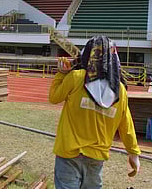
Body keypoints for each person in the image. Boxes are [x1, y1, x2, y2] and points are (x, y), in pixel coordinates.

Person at [49, 36, 141, 189]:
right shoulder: (120, 91)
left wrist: (61, 73)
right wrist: (133, 153)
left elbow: (53, 98)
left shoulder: (76, 78)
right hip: (96, 156)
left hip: (69, 153)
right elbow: (127, 125)